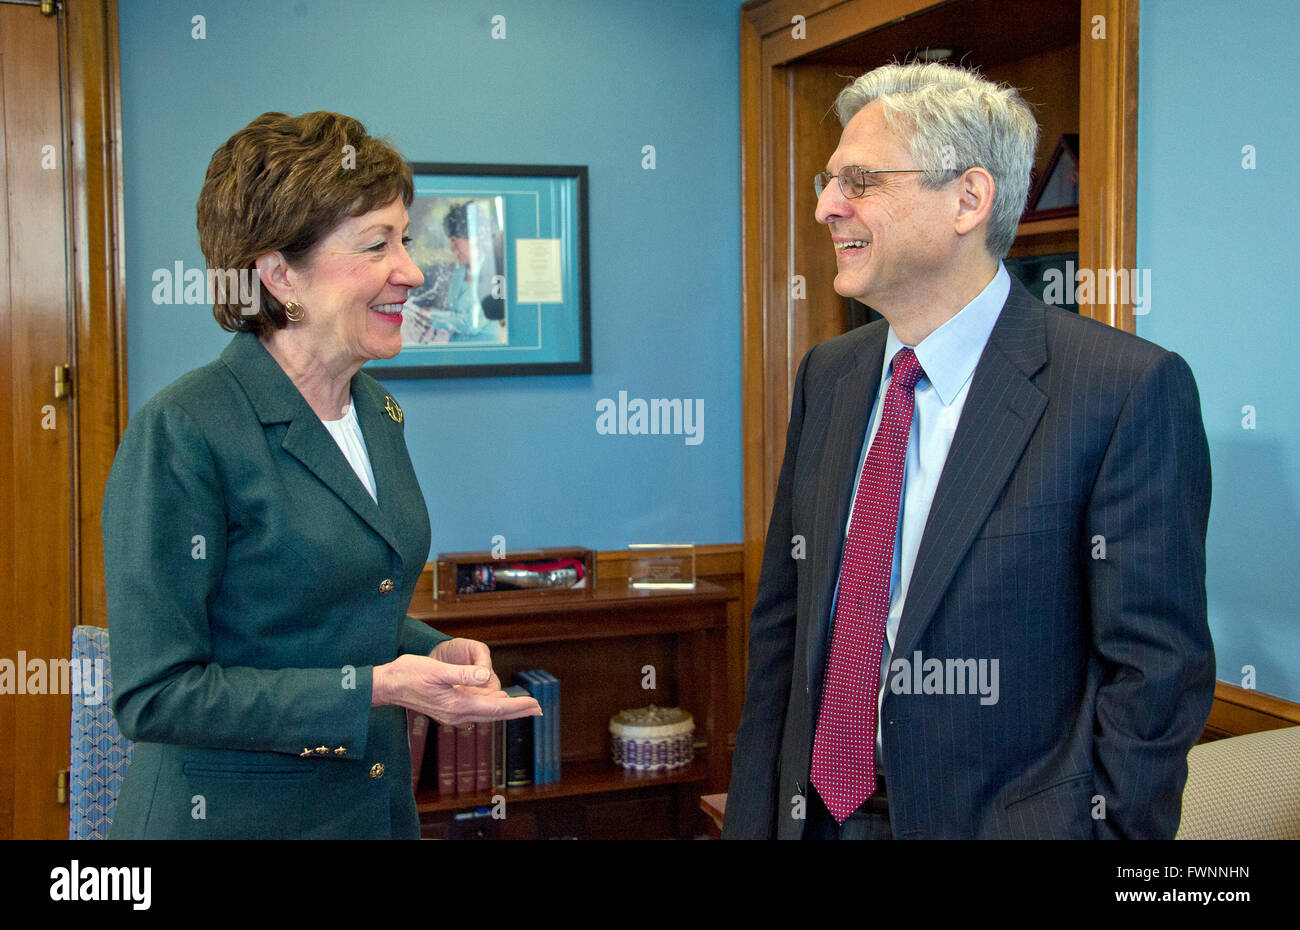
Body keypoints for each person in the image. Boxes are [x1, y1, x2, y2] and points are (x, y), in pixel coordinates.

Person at [723, 63, 1214, 840]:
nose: (824, 207)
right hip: (818, 817)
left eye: (860, 179)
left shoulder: (1124, 390)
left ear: (968, 198)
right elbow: (782, 633)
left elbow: (1154, 676)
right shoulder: (831, 375)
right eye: (828, 180)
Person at [103, 111, 540, 839]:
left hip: (370, 813)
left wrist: (431, 650)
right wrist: (377, 686)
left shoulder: (376, 410)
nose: (412, 269)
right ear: (279, 277)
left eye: (404, 238)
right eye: (378, 244)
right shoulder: (184, 430)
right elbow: (157, 695)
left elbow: (326, 606)